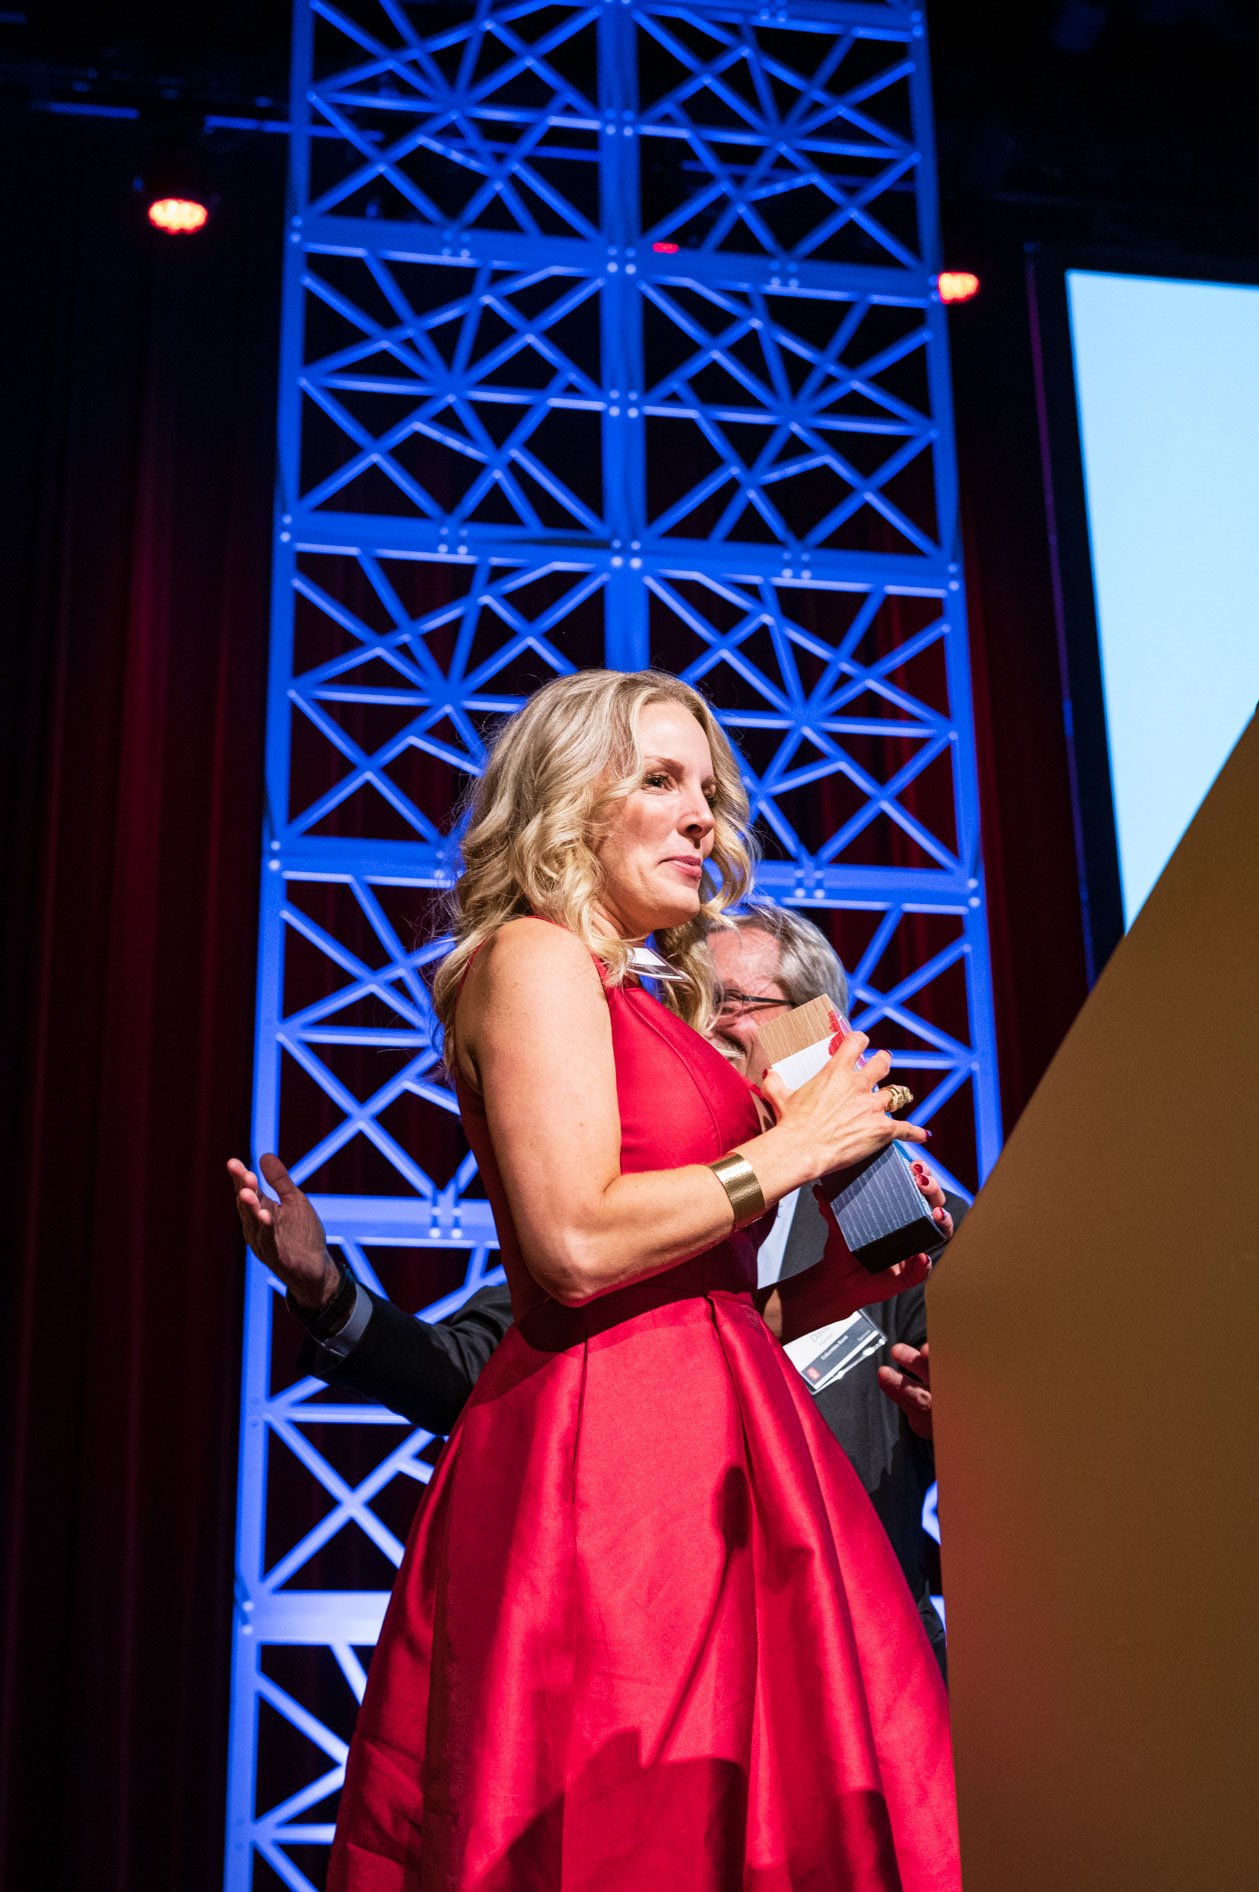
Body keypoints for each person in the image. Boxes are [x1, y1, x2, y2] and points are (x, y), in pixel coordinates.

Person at [232, 669, 959, 1891]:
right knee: (628, 1828)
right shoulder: (527, 953)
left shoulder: (640, 996)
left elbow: (718, 1303)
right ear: (572, 803)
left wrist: (843, 1263)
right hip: (615, 1469)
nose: (702, 819)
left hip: (726, 1446)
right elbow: (570, 1246)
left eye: (710, 792)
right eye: (661, 782)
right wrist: (792, 1146)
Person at [707, 902, 960, 1674]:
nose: (704, 1028)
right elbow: (469, 1370)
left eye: (734, 1004)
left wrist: (956, 1431)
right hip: (681, 1652)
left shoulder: (909, 1222)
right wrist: (328, 1301)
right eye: (684, 1002)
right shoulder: (632, 1204)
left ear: (817, 1033)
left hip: (859, 1653)